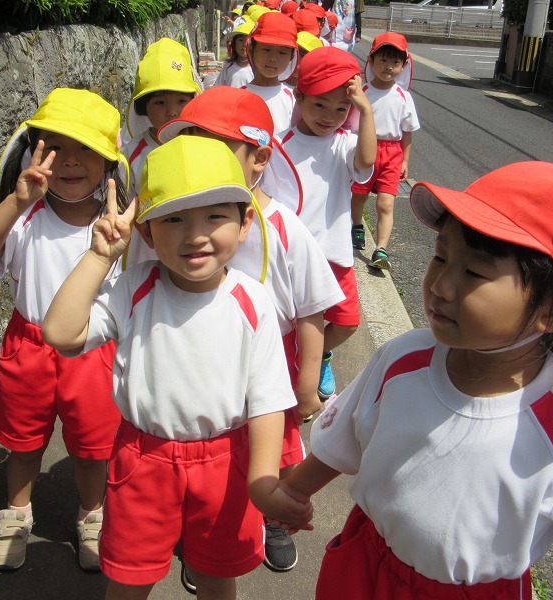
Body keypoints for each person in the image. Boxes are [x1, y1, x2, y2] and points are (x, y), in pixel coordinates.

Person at [277, 161, 553, 599]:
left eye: (474, 273)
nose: (440, 286)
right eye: (440, 257)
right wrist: (292, 493)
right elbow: (344, 437)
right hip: (365, 562)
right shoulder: (404, 359)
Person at [42, 135, 312, 600]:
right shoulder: (134, 288)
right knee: (130, 577)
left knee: (216, 576)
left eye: (215, 215)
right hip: (142, 460)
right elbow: (61, 332)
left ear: (245, 222)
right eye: (173, 219)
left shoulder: (252, 300)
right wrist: (100, 256)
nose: (195, 234)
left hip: (226, 461)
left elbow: (268, 400)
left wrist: (263, 482)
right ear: (146, 233)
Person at [159, 85, 345, 574]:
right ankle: (205, 531)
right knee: (211, 450)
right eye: (192, 146)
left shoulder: (284, 227)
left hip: (272, 364)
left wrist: (307, 383)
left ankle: (273, 520)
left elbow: (311, 311)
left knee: (276, 451)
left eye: (216, 148)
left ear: (259, 157)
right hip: (200, 357)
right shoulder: (176, 223)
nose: (200, 161)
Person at [0, 88, 127, 572]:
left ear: (109, 161)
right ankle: (17, 513)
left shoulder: (116, 227)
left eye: (86, 149)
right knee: (23, 441)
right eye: (57, 147)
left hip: (93, 349)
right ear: (34, 152)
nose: (71, 160)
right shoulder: (26, 217)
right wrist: (18, 200)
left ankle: (92, 515)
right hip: (29, 346)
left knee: (93, 448)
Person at [278, 46, 377, 399]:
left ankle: (317, 355)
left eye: (341, 108)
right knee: (296, 320)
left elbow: (367, 161)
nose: (330, 116)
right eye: (320, 104)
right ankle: (296, 363)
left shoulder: (343, 144)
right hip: (293, 258)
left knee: (347, 321)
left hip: (334, 255)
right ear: (299, 96)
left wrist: (366, 110)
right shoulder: (279, 144)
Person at [351, 32, 420, 271]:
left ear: (403, 65)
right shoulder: (363, 92)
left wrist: (405, 160)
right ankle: (356, 225)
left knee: (385, 204)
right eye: (383, 60)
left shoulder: (403, 97)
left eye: (395, 61)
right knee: (358, 196)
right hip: (364, 148)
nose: (388, 66)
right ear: (371, 61)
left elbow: (407, 132)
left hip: (392, 154)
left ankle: (381, 249)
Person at [122, 37, 202, 198]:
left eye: (181, 101)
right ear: (143, 107)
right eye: (160, 102)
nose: (172, 112)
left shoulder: (204, 144)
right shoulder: (133, 154)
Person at [245, 11, 299, 133]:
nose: (273, 58)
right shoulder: (238, 96)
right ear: (251, 50)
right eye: (266, 49)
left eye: (282, 53)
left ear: (291, 57)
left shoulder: (294, 99)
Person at [214, 19, 256, 88]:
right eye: (240, 40)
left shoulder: (256, 70)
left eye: (248, 41)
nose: (244, 44)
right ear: (234, 44)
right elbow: (217, 88)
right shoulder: (228, 67)